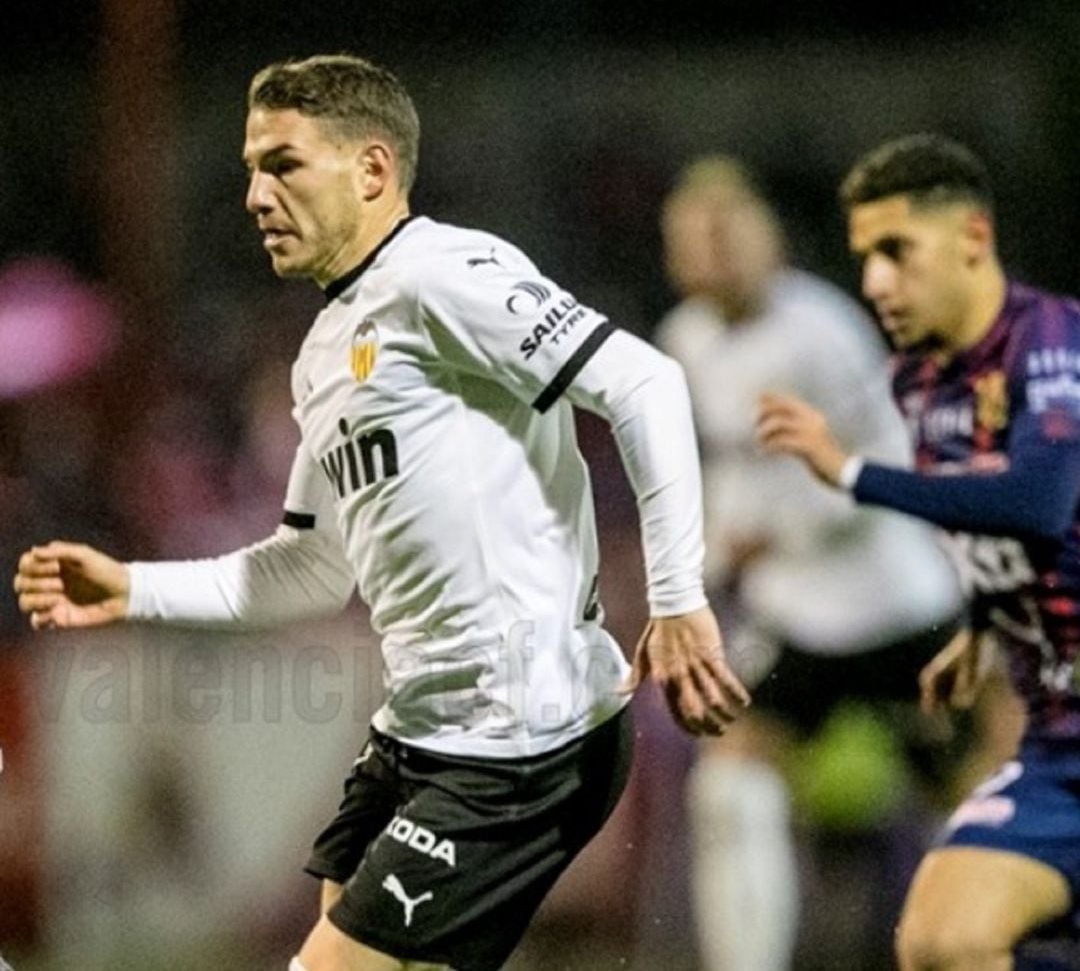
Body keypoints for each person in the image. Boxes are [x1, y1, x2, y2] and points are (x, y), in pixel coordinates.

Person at [11, 55, 750, 971]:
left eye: (282, 164)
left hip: (521, 735)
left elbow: (645, 381)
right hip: (420, 730)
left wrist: (679, 599)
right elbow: (312, 566)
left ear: (371, 170)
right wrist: (133, 587)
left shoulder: (443, 274)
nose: (253, 195)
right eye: (249, 168)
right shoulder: (324, 351)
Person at [757, 132, 1080, 971]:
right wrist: (980, 624)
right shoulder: (921, 382)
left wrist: (853, 471)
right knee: (940, 940)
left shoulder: (1050, 343)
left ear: (973, 237)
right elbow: (998, 530)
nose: (875, 282)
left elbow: (1040, 501)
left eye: (897, 252)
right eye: (866, 257)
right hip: (1055, 746)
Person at [657, 156, 964, 971]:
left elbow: (892, 456)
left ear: (772, 241)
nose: (714, 253)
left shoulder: (824, 328)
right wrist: (712, 547)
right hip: (796, 617)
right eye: (695, 237)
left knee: (975, 801)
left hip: (897, 605)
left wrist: (783, 531)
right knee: (729, 785)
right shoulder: (681, 341)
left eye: (730, 233)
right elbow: (717, 475)